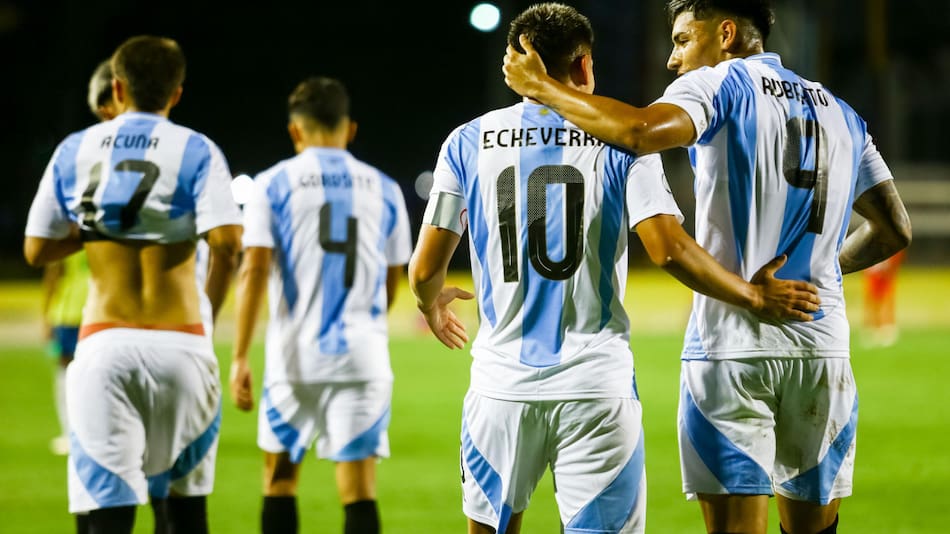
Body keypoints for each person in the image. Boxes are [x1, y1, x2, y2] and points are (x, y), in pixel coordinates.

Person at [503, 1, 913, 533]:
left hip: (731, 350)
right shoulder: (840, 111)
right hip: (820, 348)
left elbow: (637, 133)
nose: (674, 60)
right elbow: (893, 229)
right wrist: (818, 274)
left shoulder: (718, 85)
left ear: (724, 34)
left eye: (681, 40)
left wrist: (544, 88)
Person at [410, 4, 820, 534]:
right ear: (583, 66)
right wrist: (752, 295)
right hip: (596, 387)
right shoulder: (622, 139)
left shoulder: (467, 141)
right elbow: (666, 246)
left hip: (499, 389)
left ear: (515, 66)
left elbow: (424, 270)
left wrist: (431, 304)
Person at [24, 35, 243, 534]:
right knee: (186, 510)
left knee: (106, 513)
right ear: (177, 93)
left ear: (117, 88)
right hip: (183, 342)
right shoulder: (197, 148)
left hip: (104, 341)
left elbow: (36, 250)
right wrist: (206, 310)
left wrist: (102, 229)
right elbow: (228, 244)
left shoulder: (74, 149)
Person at [229, 76, 412, 534]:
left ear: (295, 131)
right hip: (362, 357)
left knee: (279, 482)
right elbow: (392, 283)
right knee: (359, 492)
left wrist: (238, 357)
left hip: (293, 358)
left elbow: (253, 271)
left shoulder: (272, 184)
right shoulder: (384, 188)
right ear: (350, 129)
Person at [41, 59, 118, 457]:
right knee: (74, 370)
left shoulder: (73, 174)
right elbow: (52, 269)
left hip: (86, 306)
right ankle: (74, 431)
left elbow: (40, 254)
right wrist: (47, 312)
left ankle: (81, 432)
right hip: (82, 306)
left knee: (77, 371)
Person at [862, 249, 906, 347]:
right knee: (872, 302)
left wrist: (889, 268)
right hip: (874, 273)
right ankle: (873, 327)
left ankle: (887, 327)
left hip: (885, 273)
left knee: (886, 299)